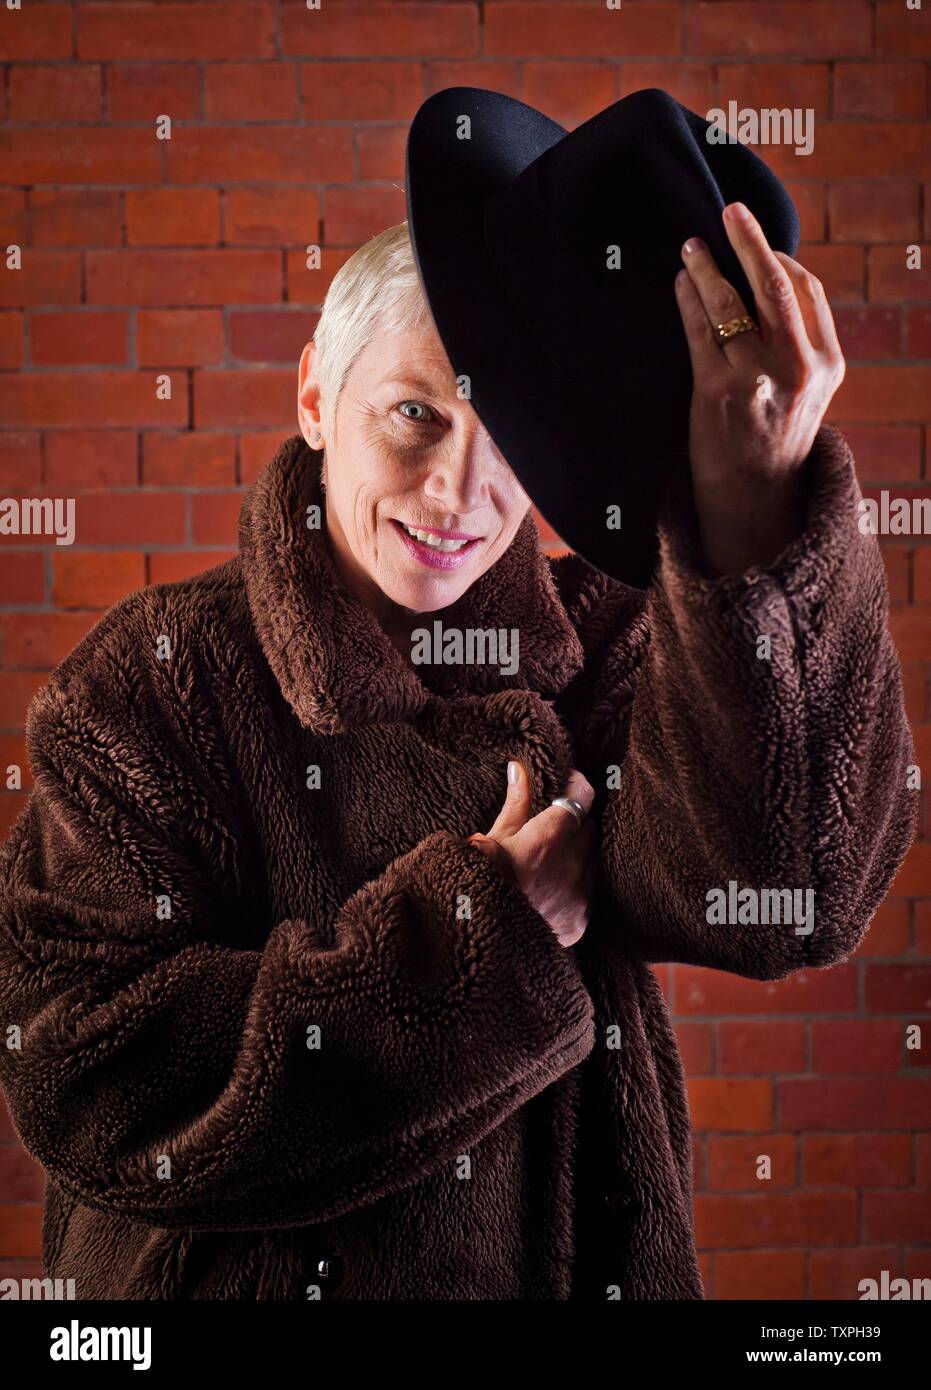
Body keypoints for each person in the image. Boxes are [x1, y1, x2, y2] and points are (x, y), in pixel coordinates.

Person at [0, 210, 915, 1300]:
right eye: (414, 414)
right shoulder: (153, 680)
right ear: (313, 398)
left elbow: (783, 896)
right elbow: (86, 1072)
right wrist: (477, 944)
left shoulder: (607, 646)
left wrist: (753, 510)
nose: (458, 491)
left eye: (511, 437)